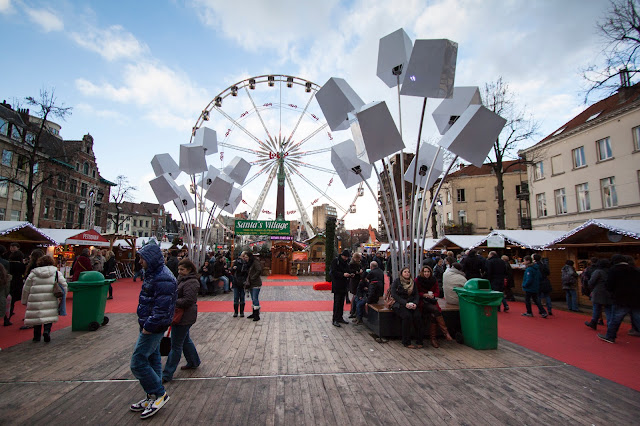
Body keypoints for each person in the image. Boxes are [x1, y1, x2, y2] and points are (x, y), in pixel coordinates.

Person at [129, 243, 177, 419]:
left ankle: (159, 393)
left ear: (151, 259)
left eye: (142, 258)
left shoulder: (162, 277)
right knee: (153, 358)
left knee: (138, 362)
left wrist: (149, 326)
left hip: (153, 326)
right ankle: (152, 396)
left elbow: (162, 308)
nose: (140, 262)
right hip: (149, 323)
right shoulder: (153, 274)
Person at [162, 259, 201, 383]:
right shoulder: (182, 279)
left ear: (189, 269)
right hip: (183, 315)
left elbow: (188, 300)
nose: (179, 271)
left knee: (176, 345)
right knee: (184, 340)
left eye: (182, 269)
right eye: (179, 269)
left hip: (184, 316)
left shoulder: (191, 282)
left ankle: (167, 373)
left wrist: (172, 300)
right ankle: (194, 361)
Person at [21, 255, 67, 342]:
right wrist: (62, 297)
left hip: (36, 297)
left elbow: (26, 288)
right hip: (51, 297)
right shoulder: (56, 273)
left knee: (37, 316)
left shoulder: (33, 273)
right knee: (48, 314)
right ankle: (47, 331)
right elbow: (64, 285)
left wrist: (24, 300)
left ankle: (36, 336)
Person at [597, 254, 640, 343]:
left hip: (621, 298)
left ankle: (610, 336)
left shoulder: (614, 270)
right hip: (636, 298)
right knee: (638, 318)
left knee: (615, 319)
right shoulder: (634, 269)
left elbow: (609, 285)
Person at [416, 265, 451, 348]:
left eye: (428, 272)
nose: (426, 273)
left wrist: (433, 295)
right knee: (435, 310)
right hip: (422, 302)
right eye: (425, 272)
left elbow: (437, 292)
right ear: (422, 272)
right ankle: (445, 333)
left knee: (433, 315)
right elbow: (416, 292)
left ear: (430, 272)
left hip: (432, 301)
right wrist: (424, 295)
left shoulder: (433, 280)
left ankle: (433, 338)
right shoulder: (418, 280)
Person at [390, 267, 423, 348]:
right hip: (399, 304)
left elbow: (416, 294)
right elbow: (394, 294)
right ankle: (406, 341)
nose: (407, 273)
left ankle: (419, 340)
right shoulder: (397, 282)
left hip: (411, 303)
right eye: (405, 272)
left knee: (417, 316)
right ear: (401, 273)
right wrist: (405, 303)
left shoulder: (413, 282)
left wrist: (415, 303)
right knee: (407, 316)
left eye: (408, 272)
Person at [585, 259, 612, 330]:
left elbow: (591, 282)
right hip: (609, 292)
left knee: (596, 308)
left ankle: (594, 322)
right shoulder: (611, 271)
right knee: (608, 309)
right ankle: (610, 325)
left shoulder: (598, 272)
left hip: (598, 292)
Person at [330, 249, 351, 327]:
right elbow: (333, 272)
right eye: (345, 257)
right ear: (342, 255)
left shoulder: (346, 262)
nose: (346, 258)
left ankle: (340, 317)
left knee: (342, 302)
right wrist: (342, 274)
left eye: (347, 257)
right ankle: (335, 319)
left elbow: (348, 270)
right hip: (337, 285)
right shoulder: (336, 261)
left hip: (344, 285)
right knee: (337, 302)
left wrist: (350, 274)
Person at [8, 242, 26, 319]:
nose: (12, 248)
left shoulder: (8, 264)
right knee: (14, 297)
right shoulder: (21, 265)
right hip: (18, 281)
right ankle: (9, 311)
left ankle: (8, 312)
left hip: (10, 280)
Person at [244, 251, 262, 321]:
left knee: (255, 298)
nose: (245, 258)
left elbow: (259, 270)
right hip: (251, 283)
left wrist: (253, 277)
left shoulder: (255, 262)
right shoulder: (249, 263)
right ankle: (254, 313)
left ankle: (257, 315)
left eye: (246, 257)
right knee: (253, 299)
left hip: (256, 283)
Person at [348, 252, 364, 318]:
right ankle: (353, 311)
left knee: (355, 296)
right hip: (354, 282)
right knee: (355, 296)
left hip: (357, 281)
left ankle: (353, 311)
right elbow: (350, 271)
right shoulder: (351, 264)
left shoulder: (358, 263)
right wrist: (357, 272)